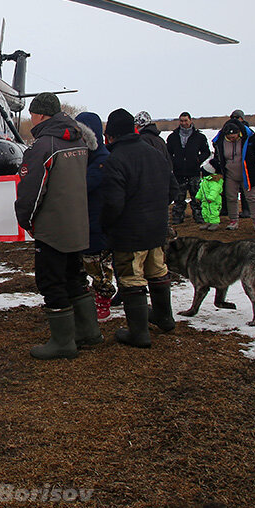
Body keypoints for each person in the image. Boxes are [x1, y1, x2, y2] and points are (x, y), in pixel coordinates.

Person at [15, 93, 96, 359]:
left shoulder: (44, 146)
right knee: (75, 277)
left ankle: (62, 342)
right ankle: (88, 331)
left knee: (50, 282)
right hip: (76, 223)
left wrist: (25, 219)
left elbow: (32, 189)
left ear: (39, 115)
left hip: (52, 227)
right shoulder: (79, 140)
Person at [100, 108, 177, 348]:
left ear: (111, 135)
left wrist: (106, 228)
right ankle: (164, 317)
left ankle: (139, 333)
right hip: (156, 229)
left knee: (131, 278)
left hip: (130, 233)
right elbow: (172, 191)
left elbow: (113, 203)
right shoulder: (154, 153)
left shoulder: (115, 160)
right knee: (157, 271)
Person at [75, 112, 115, 322]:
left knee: (99, 267)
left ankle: (104, 300)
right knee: (83, 265)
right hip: (83, 222)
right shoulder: (82, 158)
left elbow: (83, 186)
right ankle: (90, 299)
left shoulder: (102, 161)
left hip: (97, 223)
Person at [211, 119, 255, 231]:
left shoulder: (249, 139)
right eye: (229, 138)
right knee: (231, 197)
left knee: (252, 197)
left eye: (234, 137)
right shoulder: (220, 142)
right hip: (230, 173)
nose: (232, 139)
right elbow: (218, 156)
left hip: (247, 173)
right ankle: (233, 220)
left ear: (239, 133)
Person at [166, 112, 212, 224]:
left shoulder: (199, 137)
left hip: (194, 171)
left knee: (196, 197)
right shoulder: (173, 137)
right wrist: (174, 162)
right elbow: (168, 152)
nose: (183, 123)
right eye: (181, 121)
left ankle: (199, 216)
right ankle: (177, 217)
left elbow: (206, 152)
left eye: (186, 120)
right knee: (178, 198)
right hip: (179, 172)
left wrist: (198, 160)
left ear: (190, 120)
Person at [196, 158, 225, 231]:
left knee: (213, 212)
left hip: (213, 201)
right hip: (205, 200)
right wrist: (198, 197)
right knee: (205, 211)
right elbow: (201, 190)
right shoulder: (205, 181)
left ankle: (215, 223)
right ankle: (208, 222)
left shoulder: (214, 182)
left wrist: (211, 198)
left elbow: (214, 191)